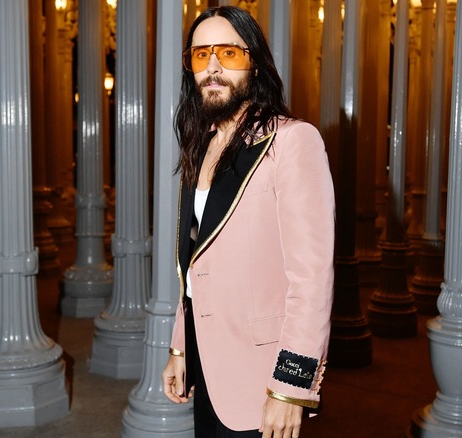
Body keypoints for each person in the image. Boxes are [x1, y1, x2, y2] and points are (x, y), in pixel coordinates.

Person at [161, 6, 335, 438]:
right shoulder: (200, 146)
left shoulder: (292, 142)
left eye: (228, 54)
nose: (213, 67)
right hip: (210, 369)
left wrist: (290, 388)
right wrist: (181, 348)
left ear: (254, 63)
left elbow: (311, 279)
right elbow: (195, 263)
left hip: (263, 381)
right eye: (201, 55)